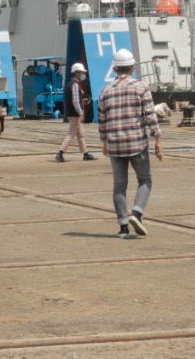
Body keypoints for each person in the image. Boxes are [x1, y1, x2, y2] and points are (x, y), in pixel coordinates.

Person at [97, 49, 163, 238]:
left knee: (119, 185)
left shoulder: (105, 91)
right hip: (137, 143)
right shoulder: (141, 87)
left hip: (115, 144)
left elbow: (102, 120)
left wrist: (104, 142)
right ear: (133, 67)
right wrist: (158, 139)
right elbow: (151, 116)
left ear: (115, 68)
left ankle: (123, 227)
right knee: (145, 179)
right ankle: (137, 213)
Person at [56, 63, 97, 162]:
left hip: (73, 113)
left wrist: (83, 101)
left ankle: (85, 153)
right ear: (77, 73)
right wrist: (81, 113)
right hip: (75, 114)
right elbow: (75, 101)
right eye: (82, 72)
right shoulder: (75, 84)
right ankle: (60, 153)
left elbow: (75, 100)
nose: (83, 74)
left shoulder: (72, 83)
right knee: (71, 134)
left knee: (81, 134)